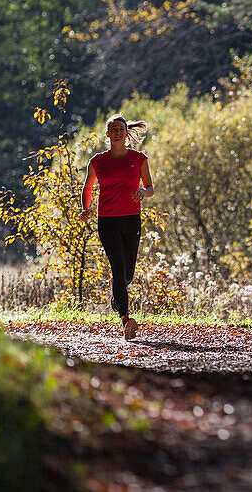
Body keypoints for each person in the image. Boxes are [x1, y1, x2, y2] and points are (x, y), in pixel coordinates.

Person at [80, 114, 154, 340]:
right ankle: (126, 319)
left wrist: (143, 192)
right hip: (108, 221)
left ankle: (116, 288)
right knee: (119, 269)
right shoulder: (97, 161)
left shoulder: (139, 159)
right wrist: (86, 208)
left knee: (127, 273)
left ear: (125, 132)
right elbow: (87, 187)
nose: (117, 132)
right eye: (113, 129)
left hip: (131, 219)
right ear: (108, 134)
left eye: (120, 128)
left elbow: (150, 188)